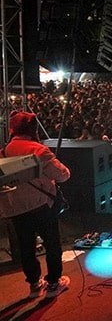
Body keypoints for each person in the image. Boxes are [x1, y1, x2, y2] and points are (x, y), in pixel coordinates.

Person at [0, 111, 71, 298]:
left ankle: (34, 284)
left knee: (26, 247)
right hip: (41, 206)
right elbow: (62, 175)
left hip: (15, 209)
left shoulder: (5, 151)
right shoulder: (38, 150)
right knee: (52, 243)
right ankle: (54, 283)